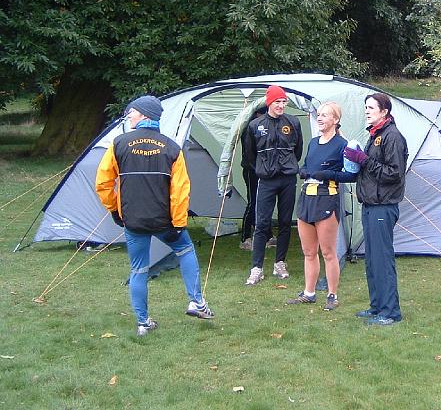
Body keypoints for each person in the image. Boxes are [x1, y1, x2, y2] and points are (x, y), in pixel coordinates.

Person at [95, 95, 214, 336]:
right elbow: (180, 189)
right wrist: (179, 223)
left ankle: (143, 323)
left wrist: (115, 211)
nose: (129, 115)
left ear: (146, 116)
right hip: (165, 221)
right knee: (186, 251)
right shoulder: (171, 147)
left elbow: (103, 183)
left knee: (138, 269)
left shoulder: (118, 144)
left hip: (133, 221)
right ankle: (197, 303)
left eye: (133, 112)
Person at [343, 92, 408, 326]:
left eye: (371, 107)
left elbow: (394, 174)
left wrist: (363, 160)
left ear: (384, 111)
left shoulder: (392, 137)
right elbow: (370, 170)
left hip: (383, 206)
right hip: (370, 204)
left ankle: (390, 312)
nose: (367, 111)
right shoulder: (375, 135)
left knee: (382, 259)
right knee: (371, 259)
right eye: (366, 107)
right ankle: (376, 307)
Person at [286, 102, 352, 311]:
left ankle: (332, 294)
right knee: (308, 251)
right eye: (319, 115)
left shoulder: (343, 144)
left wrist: (329, 175)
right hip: (307, 198)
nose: (320, 118)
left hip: (327, 198)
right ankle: (309, 293)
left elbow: (351, 175)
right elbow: (308, 164)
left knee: (328, 252)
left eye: (325, 115)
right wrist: (303, 170)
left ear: (335, 120)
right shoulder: (314, 142)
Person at [241, 85, 303, 284]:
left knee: (285, 222)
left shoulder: (293, 122)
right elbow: (249, 155)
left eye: (284, 102)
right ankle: (256, 268)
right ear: (269, 103)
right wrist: (262, 168)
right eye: (277, 102)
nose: (281, 105)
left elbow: (298, 151)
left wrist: (288, 165)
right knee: (262, 223)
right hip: (266, 180)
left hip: (287, 179)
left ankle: (279, 263)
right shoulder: (254, 125)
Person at [238, 108, 276, 251]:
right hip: (251, 170)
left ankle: (267, 235)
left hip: (263, 170)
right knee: (253, 202)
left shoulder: (265, 126)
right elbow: (249, 153)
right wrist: (257, 168)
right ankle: (245, 237)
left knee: (265, 203)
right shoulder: (251, 127)